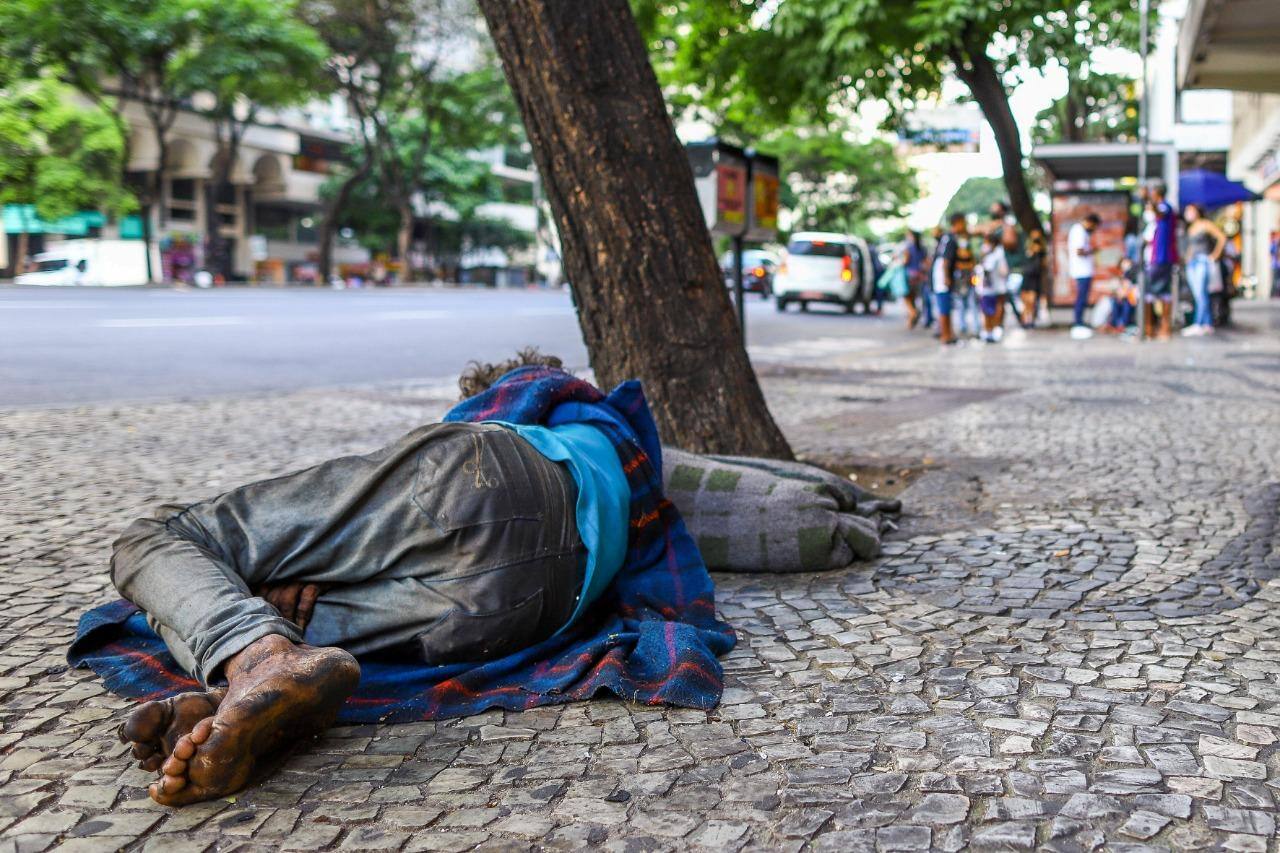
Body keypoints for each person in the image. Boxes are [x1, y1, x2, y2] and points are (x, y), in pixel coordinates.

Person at [91, 351, 901, 807]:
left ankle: (251, 657)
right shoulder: (629, 468)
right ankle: (251, 675)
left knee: (159, 537)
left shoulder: (530, 407)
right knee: (296, 613)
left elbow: (442, 458)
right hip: (527, 608)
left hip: (489, 477)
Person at [1182, 203, 1228, 337]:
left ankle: (1199, 323)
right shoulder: (1191, 228)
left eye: (1190, 210)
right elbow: (1191, 246)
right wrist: (1188, 258)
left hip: (1203, 261)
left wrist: (1214, 255)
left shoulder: (1205, 224)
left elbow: (1221, 237)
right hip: (1193, 263)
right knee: (1198, 295)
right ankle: (1207, 323)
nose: (1188, 213)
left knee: (1201, 294)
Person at [1143, 183, 1180, 340]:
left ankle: (1160, 328)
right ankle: (1155, 328)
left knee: (1155, 292)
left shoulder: (1165, 207)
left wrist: (1147, 199)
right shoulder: (1161, 211)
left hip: (1161, 257)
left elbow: (1159, 212)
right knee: (1158, 293)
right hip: (1157, 257)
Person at [932, 214, 968, 345]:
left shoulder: (946, 237)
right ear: (957, 222)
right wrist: (946, 277)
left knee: (945, 306)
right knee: (944, 307)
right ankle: (945, 335)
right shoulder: (951, 239)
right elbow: (945, 261)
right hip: (942, 277)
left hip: (940, 275)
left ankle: (948, 334)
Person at [1067, 211, 1100, 338]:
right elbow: (1079, 251)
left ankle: (1079, 322)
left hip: (1083, 270)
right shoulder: (1079, 231)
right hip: (1081, 270)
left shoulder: (1080, 231)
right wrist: (1092, 251)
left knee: (1082, 297)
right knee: (1081, 298)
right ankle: (1078, 323)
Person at [976, 233, 1009, 343]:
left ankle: (993, 329)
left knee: (993, 309)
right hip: (990, 287)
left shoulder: (997, 254)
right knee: (989, 310)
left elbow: (992, 269)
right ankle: (990, 330)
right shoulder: (990, 254)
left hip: (993, 287)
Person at [900, 230, 927, 329]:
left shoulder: (909, 248)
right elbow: (925, 262)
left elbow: (905, 261)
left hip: (909, 276)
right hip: (919, 276)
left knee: (906, 297)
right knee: (913, 298)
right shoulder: (922, 248)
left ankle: (913, 313)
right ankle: (911, 320)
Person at [1019, 230, 1048, 328]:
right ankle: (1025, 320)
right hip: (1027, 277)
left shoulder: (1041, 252)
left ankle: (1030, 320)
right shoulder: (1027, 250)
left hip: (1035, 279)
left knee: (1032, 301)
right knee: (1025, 301)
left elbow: (1044, 266)